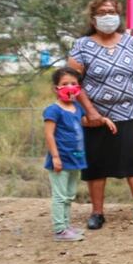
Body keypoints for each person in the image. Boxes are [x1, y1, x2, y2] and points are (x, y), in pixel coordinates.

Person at [68, 0, 133, 229]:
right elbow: (72, 82)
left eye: (112, 12)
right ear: (94, 18)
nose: (108, 17)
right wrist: (90, 111)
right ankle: (97, 213)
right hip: (96, 116)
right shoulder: (82, 45)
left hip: (129, 112)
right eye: (103, 12)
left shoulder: (130, 42)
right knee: (96, 163)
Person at [42, 67, 111, 241]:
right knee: (60, 195)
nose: (70, 87)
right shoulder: (53, 110)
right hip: (60, 160)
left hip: (75, 159)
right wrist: (56, 157)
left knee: (69, 194)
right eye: (65, 84)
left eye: (74, 83)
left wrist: (104, 120)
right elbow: (49, 134)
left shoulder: (77, 108)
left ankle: (66, 226)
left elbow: (86, 122)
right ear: (55, 88)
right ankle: (59, 230)